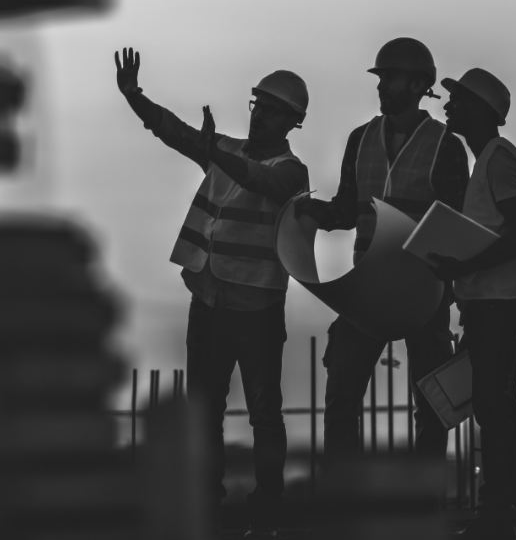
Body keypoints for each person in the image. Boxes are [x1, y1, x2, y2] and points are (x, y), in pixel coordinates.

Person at [114, 47, 309, 538]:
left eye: (268, 108)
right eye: (256, 104)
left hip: (258, 311)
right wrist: (135, 96)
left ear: (292, 121)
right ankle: (207, 510)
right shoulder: (226, 150)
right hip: (209, 303)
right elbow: (174, 131)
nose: (258, 113)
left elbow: (259, 179)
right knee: (204, 414)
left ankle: (266, 515)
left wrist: (215, 150)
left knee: (265, 417)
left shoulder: (292, 171)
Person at [295, 37, 469, 467]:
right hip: (368, 291)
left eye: (390, 77)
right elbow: (349, 208)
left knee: (431, 404)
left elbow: (457, 227)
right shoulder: (360, 140)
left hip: (423, 293)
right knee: (341, 398)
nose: (381, 85)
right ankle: (346, 506)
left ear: (417, 85)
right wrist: (316, 214)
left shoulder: (444, 144)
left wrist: (459, 295)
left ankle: (421, 507)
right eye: (381, 77)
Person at [429, 68, 516, 540]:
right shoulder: (488, 160)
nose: (448, 107)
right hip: (495, 302)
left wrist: (460, 266)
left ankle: (500, 511)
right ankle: (507, 508)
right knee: (500, 402)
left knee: (494, 403)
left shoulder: (498, 159)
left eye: (458, 100)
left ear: (482, 111)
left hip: (502, 303)